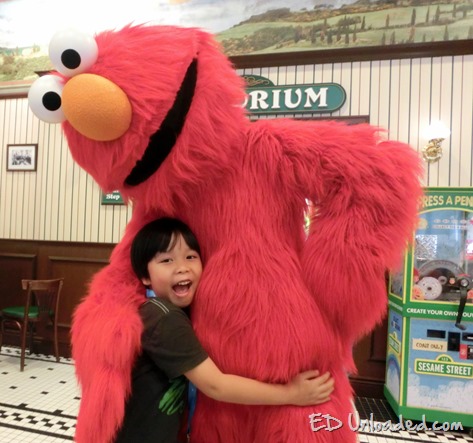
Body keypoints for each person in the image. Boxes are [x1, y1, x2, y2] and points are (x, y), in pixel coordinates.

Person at [115, 217, 335, 443]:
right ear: (145, 276)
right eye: (167, 260)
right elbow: (215, 385)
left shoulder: (161, 311)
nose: (182, 267)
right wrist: (292, 394)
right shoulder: (164, 318)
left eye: (191, 257)